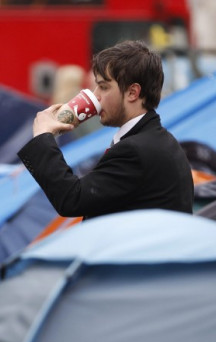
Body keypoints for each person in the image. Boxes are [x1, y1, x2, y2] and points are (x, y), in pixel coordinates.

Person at [17, 40, 194, 220]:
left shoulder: (135, 150)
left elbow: (72, 199)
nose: (96, 96)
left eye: (103, 87)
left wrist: (42, 137)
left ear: (133, 92)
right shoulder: (156, 140)